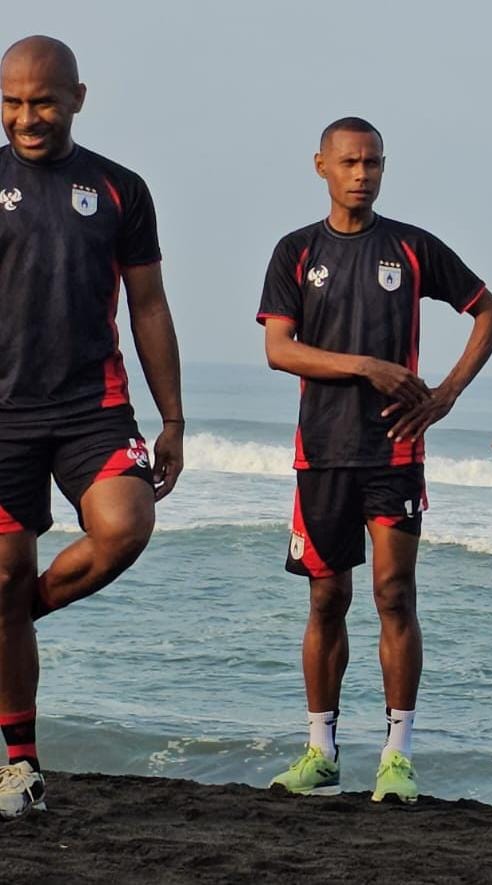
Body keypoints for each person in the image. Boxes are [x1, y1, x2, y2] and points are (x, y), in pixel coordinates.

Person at [258, 117, 492, 803]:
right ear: (321, 166)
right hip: (321, 453)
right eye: (348, 162)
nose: (361, 173)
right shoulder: (296, 252)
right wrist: (366, 366)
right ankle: (321, 749)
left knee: (394, 594)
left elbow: (490, 312)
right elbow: (279, 349)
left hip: (394, 451)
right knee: (325, 597)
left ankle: (397, 753)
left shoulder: (411, 247)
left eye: (372, 163)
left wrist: (448, 393)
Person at [0, 36, 184, 818]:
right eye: (11, 102)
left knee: (124, 526)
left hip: (92, 407)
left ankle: (9, 620)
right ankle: (20, 764)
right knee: (3, 574)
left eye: (43, 100)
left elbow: (147, 304)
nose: (27, 117)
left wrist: (172, 414)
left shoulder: (118, 189)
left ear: (79, 96)